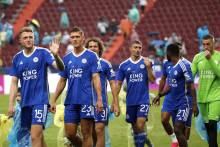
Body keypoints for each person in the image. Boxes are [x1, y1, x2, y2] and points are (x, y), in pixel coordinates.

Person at [8, 26, 65, 147]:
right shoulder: (17, 58)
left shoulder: (43, 53)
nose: (28, 40)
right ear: (20, 41)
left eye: (30, 37)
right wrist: (10, 105)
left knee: (34, 136)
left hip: (40, 101)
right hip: (25, 103)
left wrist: (56, 55)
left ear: (34, 38)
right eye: (25, 38)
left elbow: (60, 67)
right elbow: (14, 82)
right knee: (38, 136)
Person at [49, 27, 103, 147]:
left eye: (77, 37)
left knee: (86, 132)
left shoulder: (91, 56)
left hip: (86, 101)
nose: (75, 39)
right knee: (70, 134)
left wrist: (99, 99)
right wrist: (53, 100)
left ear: (83, 38)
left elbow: (96, 78)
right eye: (72, 37)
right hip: (70, 102)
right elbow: (62, 80)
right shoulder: (67, 58)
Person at [152, 44, 199, 147]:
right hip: (174, 102)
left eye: (166, 52)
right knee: (178, 131)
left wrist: (194, 104)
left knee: (178, 129)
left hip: (184, 102)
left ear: (169, 53)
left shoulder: (184, 66)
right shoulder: (172, 67)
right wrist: (159, 95)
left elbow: (192, 85)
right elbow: (170, 85)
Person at [116, 40, 156, 147]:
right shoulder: (124, 65)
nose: (137, 50)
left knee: (140, 125)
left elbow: (152, 80)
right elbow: (118, 84)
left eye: (139, 47)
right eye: (135, 47)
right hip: (131, 101)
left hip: (143, 100)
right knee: (135, 128)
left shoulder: (148, 62)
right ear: (130, 49)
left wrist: (148, 67)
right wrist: (115, 102)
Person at [85, 37, 120, 147]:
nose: (93, 48)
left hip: (102, 103)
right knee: (90, 132)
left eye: (95, 46)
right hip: (85, 103)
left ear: (100, 49)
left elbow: (113, 84)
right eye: (90, 46)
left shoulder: (106, 64)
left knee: (99, 130)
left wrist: (116, 102)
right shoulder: (83, 62)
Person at [191, 34, 220, 147]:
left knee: (213, 124)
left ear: (213, 44)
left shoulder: (218, 56)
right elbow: (191, 76)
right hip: (202, 98)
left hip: (216, 97)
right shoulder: (197, 58)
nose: (206, 47)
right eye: (204, 44)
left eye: (208, 44)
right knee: (208, 129)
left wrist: (210, 60)